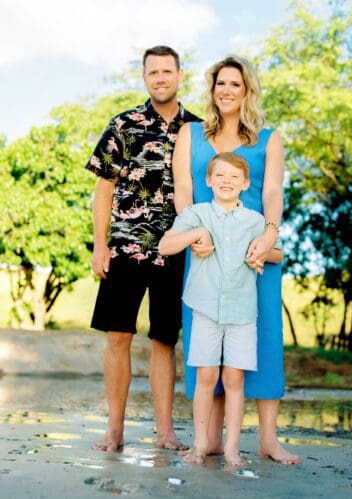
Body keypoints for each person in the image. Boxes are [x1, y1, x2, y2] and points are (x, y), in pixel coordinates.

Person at [173, 55, 301, 464]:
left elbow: (274, 194)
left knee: (262, 341)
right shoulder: (189, 134)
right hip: (205, 252)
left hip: (256, 254)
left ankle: (267, 440)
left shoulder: (269, 138)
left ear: (247, 91)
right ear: (212, 89)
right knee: (204, 348)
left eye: (235, 84)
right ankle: (207, 439)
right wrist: (192, 235)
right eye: (220, 83)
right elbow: (182, 191)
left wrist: (269, 234)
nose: (226, 91)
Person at [85, 45, 201, 452]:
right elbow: (103, 191)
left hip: (176, 251)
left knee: (164, 340)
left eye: (167, 71)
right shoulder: (124, 125)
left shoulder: (198, 130)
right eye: (153, 72)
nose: (160, 78)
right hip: (124, 248)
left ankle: (165, 431)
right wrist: (100, 245)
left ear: (180, 74)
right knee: (118, 336)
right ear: (145, 77)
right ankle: (114, 430)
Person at [159, 152, 281, 466]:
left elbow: (277, 254)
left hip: (242, 311)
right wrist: (197, 234)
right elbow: (165, 245)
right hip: (204, 307)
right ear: (209, 181)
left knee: (235, 380)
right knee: (206, 375)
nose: (227, 182)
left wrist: (260, 251)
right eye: (221, 176)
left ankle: (231, 448)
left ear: (245, 184)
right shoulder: (197, 213)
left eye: (234, 177)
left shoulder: (254, 220)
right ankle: (200, 445)